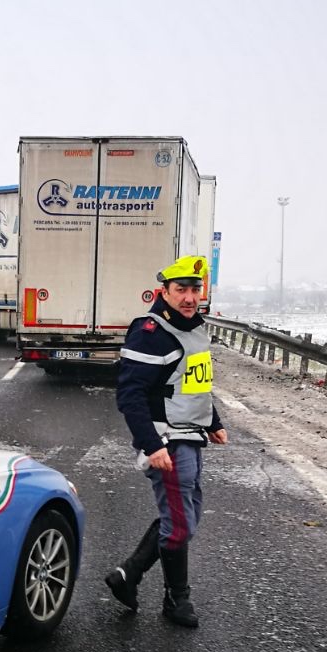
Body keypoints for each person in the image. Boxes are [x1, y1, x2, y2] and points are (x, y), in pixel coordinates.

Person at [106, 254, 228, 627]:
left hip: (191, 435)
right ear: (165, 291)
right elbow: (130, 396)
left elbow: (194, 385)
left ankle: (128, 574)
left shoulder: (194, 327)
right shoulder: (152, 333)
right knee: (179, 525)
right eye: (182, 290)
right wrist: (151, 445)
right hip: (168, 441)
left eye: (195, 289)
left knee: (182, 518)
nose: (190, 297)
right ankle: (177, 600)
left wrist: (213, 422)